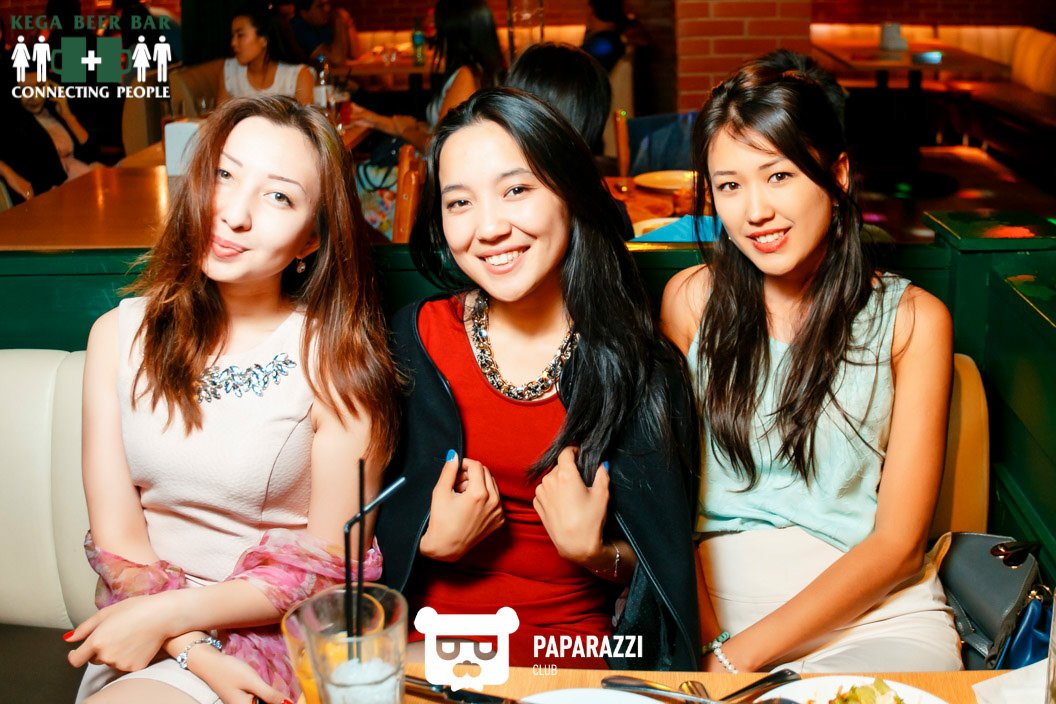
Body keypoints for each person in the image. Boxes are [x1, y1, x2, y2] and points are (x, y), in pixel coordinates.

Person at [68, 96, 400, 703]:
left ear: (311, 239)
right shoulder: (117, 337)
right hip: (144, 635)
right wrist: (191, 649)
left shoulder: (338, 362)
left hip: (277, 640)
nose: (234, 213)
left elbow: (332, 564)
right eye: (225, 174)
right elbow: (121, 546)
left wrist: (178, 625)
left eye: (279, 197)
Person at [375, 88, 707, 670]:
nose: (488, 228)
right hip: (424, 654)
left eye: (516, 190)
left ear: (569, 193)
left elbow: (667, 567)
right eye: (459, 202)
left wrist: (595, 552)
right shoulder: (414, 340)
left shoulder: (639, 366)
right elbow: (343, 535)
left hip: (571, 659)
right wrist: (426, 541)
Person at [660, 53, 962, 673]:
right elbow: (666, 500)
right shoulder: (690, 301)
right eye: (729, 185)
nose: (755, 212)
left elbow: (899, 544)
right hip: (719, 603)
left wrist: (738, 660)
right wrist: (710, 643)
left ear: (838, 173)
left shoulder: (913, 320)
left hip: (878, 611)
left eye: (779, 175)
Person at [348, 0, 505, 239]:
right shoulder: (478, 70)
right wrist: (374, 120)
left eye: (437, 25)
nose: (433, 32)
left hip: (433, 184)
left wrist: (399, 129)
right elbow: (435, 129)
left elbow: (439, 145)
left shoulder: (466, 76)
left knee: (349, 178)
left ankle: (378, 252)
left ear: (453, 31)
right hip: (440, 175)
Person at [219, 1, 314, 105]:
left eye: (240, 35)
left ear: (264, 39)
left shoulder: (296, 76)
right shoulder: (230, 71)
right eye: (233, 36)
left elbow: (306, 115)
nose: (233, 43)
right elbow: (221, 114)